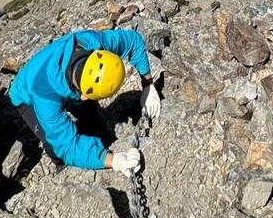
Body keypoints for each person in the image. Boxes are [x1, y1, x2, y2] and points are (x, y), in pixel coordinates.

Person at [9, 27, 161, 173]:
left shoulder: (95, 43)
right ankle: (62, 166)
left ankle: (94, 145)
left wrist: (148, 85)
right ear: (85, 95)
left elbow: (134, 41)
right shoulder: (44, 98)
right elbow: (66, 146)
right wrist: (113, 161)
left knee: (92, 119)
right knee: (52, 141)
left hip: (52, 68)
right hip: (25, 93)